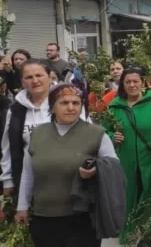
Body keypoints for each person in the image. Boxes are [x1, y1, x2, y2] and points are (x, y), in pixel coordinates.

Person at [14, 83, 117, 247]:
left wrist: (96, 170)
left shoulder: (96, 134)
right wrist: (22, 207)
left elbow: (114, 167)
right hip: (44, 217)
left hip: (82, 218)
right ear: (52, 107)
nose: (71, 107)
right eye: (64, 103)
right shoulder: (37, 134)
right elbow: (28, 173)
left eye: (76, 103)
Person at [2, 61, 89, 199]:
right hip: (29, 180)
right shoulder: (16, 110)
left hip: (69, 178)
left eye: (39, 75)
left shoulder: (69, 101)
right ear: (22, 82)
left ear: (50, 77)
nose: (35, 81)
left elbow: (87, 136)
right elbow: (7, 147)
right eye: (29, 77)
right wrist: (7, 179)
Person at [104, 68, 151, 247]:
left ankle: (148, 234)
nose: (132, 85)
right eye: (128, 82)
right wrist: (112, 136)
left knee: (150, 195)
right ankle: (130, 234)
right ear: (122, 84)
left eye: (136, 81)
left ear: (143, 82)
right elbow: (103, 130)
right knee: (128, 197)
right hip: (126, 162)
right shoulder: (114, 106)